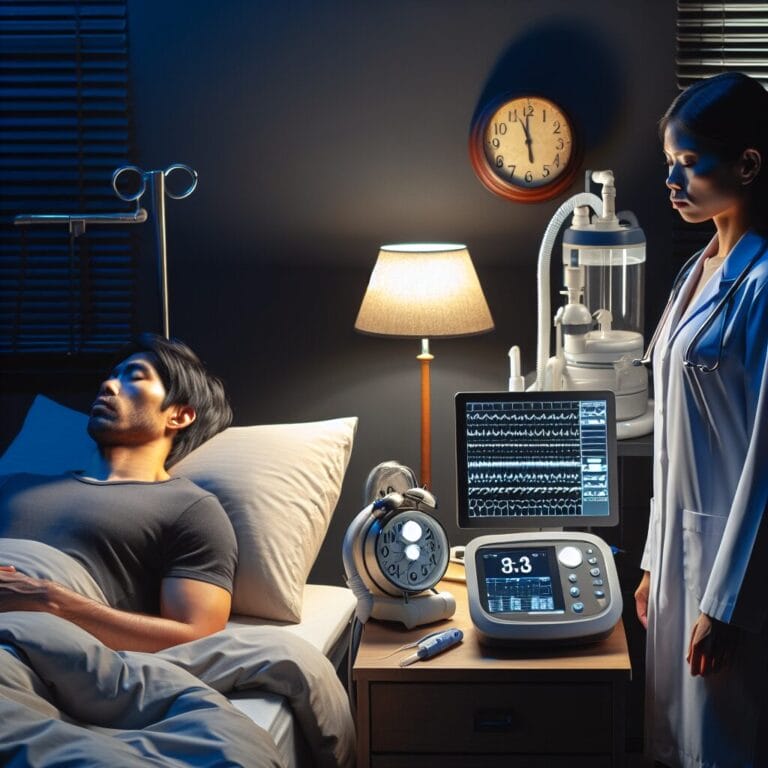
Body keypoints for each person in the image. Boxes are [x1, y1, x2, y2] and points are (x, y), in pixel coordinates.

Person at [635, 72, 768, 767]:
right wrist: (656, 560)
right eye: (669, 164)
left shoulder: (764, 284)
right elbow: (670, 444)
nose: (672, 180)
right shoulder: (697, 269)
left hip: (734, 573)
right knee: (673, 743)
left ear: (747, 164)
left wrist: (726, 604)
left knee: (722, 745)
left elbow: (765, 463)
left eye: (689, 162)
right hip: (680, 560)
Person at [0, 333, 237, 653]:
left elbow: (196, 638)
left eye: (134, 377)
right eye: (111, 376)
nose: (108, 386)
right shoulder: (14, 484)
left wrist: (48, 600)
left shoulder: (190, 509)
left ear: (179, 415)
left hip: (33, 649)